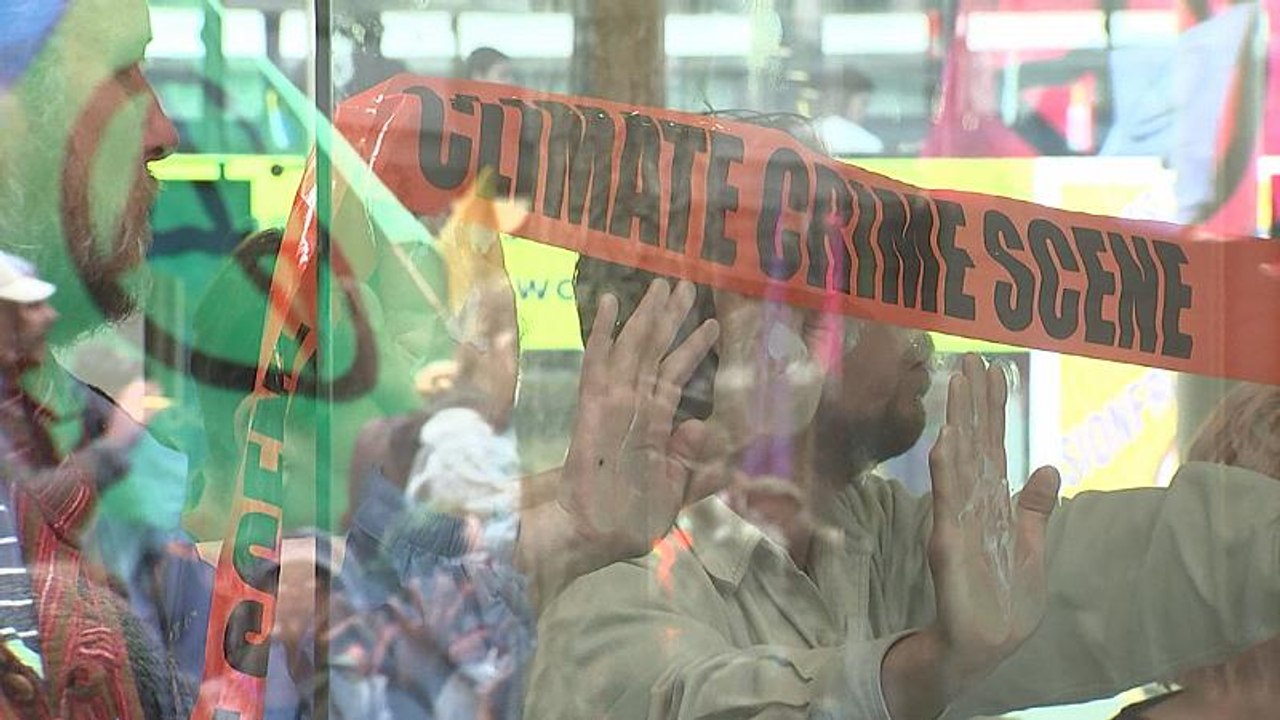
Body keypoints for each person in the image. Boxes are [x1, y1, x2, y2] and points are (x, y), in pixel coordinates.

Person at [524, 119, 1280, 719]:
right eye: (877, 291)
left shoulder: (863, 537)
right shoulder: (603, 587)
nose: (918, 325)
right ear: (778, 346)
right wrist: (930, 666)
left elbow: (1150, 571)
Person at [814, 67, 885, 156]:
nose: (865, 111)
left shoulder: (810, 131)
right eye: (864, 103)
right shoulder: (869, 143)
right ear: (845, 100)